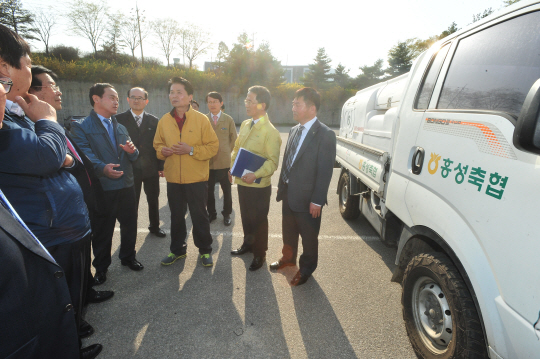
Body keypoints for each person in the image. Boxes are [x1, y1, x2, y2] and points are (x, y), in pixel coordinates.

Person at [0, 24, 101, 358]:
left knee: (67, 302)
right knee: (53, 307)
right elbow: (46, 156)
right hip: (47, 233)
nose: (29, 70)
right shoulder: (19, 118)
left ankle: (70, 344)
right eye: (27, 63)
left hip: (64, 225)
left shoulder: (20, 112)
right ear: (5, 67)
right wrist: (49, 121)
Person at [29, 66, 114, 323]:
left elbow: (76, 161)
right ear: (33, 92)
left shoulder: (56, 124)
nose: (59, 91)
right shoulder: (37, 127)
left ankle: (86, 291)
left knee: (81, 256)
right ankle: (73, 322)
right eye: (52, 85)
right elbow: (52, 160)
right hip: (57, 216)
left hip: (81, 201)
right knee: (65, 267)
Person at [71, 83, 144, 286]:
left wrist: (132, 151)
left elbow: (135, 154)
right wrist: (103, 168)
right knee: (103, 230)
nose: (116, 101)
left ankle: (128, 257)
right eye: (111, 97)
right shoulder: (82, 126)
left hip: (127, 185)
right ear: (96, 99)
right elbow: (85, 155)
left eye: (117, 98)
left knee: (130, 225)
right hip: (103, 188)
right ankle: (101, 268)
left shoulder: (120, 126)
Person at [270, 88, 336, 286]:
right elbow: (288, 162)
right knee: (288, 232)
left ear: (312, 108)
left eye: (297, 104)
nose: (293, 108)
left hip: (309, 199)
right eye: (293, 104)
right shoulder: (293, 130)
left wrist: (317, 200)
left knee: (309, 237)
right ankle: (288, 259)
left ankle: (306, 268)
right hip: (289, 193)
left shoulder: (325, 134)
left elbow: (325, 171)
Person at [154, 77, 218, 267]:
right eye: (172, 92)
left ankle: (205, 251)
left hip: (196, 178)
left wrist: (191, 150)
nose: (174, 96)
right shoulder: (164, 120)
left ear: (190, 97)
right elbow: (157, 144)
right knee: (175, 216)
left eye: (179, 92)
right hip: (173, 178)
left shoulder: (201, 120)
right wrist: (162, 152)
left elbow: (213, 147)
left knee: (200, 215)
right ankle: (177, 250)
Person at [229, 86, 281, 271]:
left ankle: (260, 253)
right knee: (246, 216)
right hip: (242, 181)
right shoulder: (244, 124)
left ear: (262, 104)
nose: (247, 104)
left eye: (250, 101)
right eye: (246, 100)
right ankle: (248, 244)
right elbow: (236, 147)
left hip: (258, 185)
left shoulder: (271, 131)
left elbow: (272, 162)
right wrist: (232, 166)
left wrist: (256, 175)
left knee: (259, 220)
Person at [116, 87, 166, 238]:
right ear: (128, 100)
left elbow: (157, 145)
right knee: (132, 203)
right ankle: (131, 231)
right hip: (129, 169)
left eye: (140, 98)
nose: (136, 100)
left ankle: (155, 226)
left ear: (146, 101)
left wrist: (160, 166)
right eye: (133, 97)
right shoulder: (118, 120)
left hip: (150, 169)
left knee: (153, 199)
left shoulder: (154, 120)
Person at [205, 91, 237, 226]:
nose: (212, 104)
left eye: (215, 101)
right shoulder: (203, 119)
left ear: (221, 103)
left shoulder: (228, 119)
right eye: (210, 102)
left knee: (227, 191)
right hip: (207, 162)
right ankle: (211, 214)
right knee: (208, 191)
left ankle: (227, 214)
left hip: (224, 163)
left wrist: (226, 152)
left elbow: (234, 139)